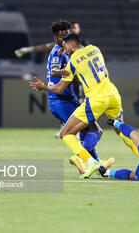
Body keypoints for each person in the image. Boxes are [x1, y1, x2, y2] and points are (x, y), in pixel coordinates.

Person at [29, 33, 139, 178]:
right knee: (121, 129)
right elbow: (88, 70)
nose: (64, 50)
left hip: (96, 99)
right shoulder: (96, 49)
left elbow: (59, 88)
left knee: (65, 134)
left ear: (73, 44)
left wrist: (44, 87)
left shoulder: (73, 60)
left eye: (65, 47)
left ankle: (88, 161)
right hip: (112, 94)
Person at [33, 20, 112, 174]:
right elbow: (55, 70)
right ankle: (83, 159)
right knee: (95, 130)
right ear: (55, 38)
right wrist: (71, 72)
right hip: (61, 100)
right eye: (62, 37)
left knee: (86, 131)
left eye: (67, 35)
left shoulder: (68, 52)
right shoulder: (58, 52)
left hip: (67, 99)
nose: (65, 40)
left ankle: (97, 167)